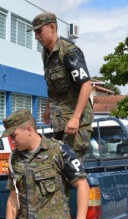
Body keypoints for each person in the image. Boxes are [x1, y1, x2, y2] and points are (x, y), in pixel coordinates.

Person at [31, 12, 94, 160]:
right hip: (60, 123)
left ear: (52, 27)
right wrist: (48, 107)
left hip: (76, 125)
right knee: (57, 169)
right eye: (35, 32)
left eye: (39, 31)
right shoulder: (46, 54)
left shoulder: (69, 52)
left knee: (72, 171)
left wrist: (76, 118)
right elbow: (54, 87)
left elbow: (86, 85)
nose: (36, 37)